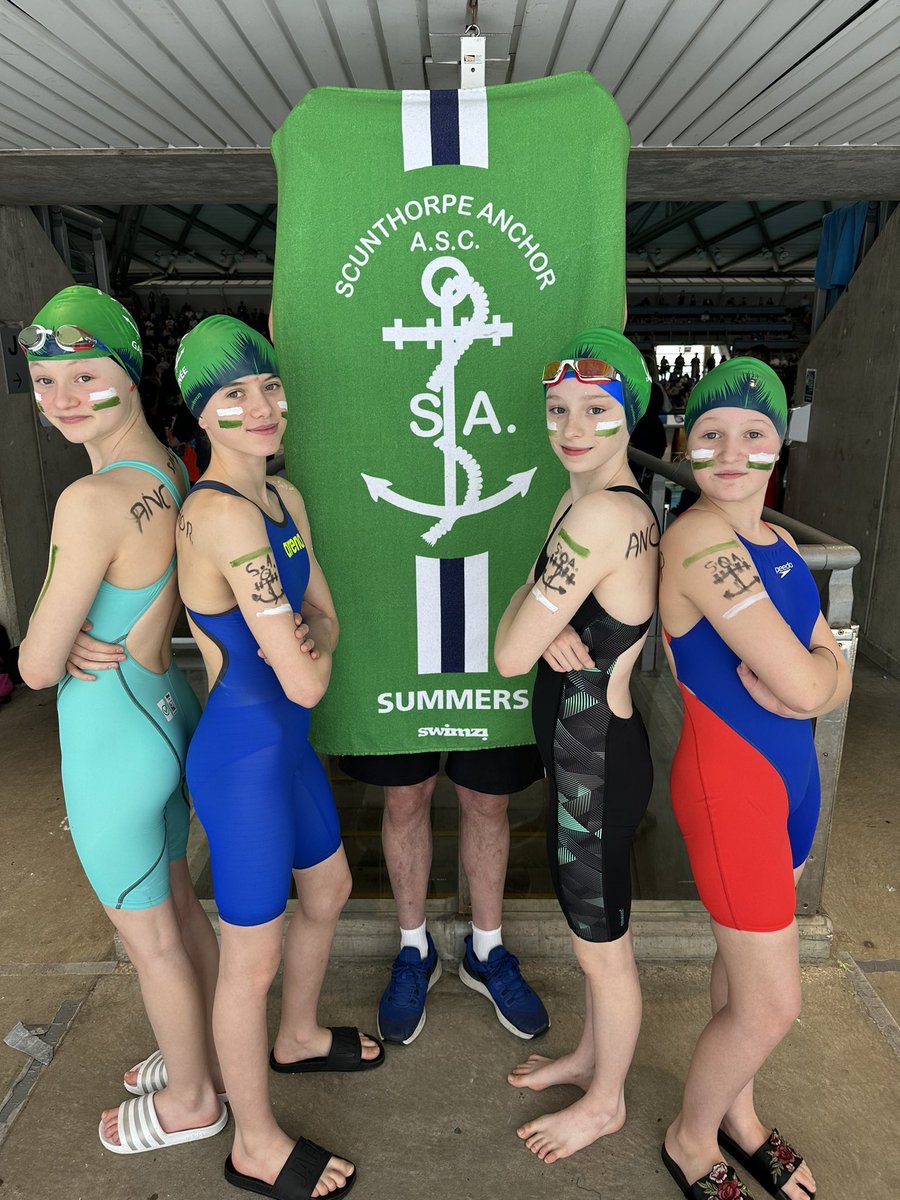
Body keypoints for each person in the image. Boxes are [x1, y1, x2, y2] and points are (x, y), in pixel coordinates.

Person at [17, 286, 225, 1154]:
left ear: (129, 377)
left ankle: (191, 1101)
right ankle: (206, 1050)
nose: (62, 398)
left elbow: (31, 665)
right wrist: (76, 636)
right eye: (43, 379)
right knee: (179, 899)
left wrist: (55, 644)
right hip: (167, 711)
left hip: (111, 739)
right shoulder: (172, 469)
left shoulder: (90, 501)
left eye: (84, 375)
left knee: (149, 942)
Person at [175, 315, 377, 1200]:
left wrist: (314, 645)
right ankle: (252, 1143)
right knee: (246, 957)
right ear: (201, 416)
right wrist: (315, 654)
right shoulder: (219, 517)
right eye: (233, 396)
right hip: (244, 757)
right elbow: (302, 677)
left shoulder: (283, 500)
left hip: (284, 749)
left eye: (267, 388)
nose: (261, 408)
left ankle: (295, 1036)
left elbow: (326, 613)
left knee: (327, 890)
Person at [658, 358, 851, 1199]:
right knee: (774, 1005)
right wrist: (812, 677)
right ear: (686, 445)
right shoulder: (698, 538)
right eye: (710, 434)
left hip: (793, 787)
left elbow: (830, 674)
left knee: (744, 974)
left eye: (752, 433)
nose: (731, 452)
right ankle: (690, 1138)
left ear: (778, 447)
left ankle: (738, 1112)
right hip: (731, 786)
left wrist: (815, 676)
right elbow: (813, 684)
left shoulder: (775, 542)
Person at [494, 329, 658, 1163]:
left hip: (595, 761)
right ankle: (594, 1056)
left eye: (596, 409)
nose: (572, 426)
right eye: (558, 409)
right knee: (591, 936)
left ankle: (607, 1103)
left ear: (629, 412)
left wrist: (535, 611)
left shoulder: (598, 512)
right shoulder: (589, 501)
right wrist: (540, 608)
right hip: (588, 751)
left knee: (604, 948)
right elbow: (530, 620)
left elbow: (509, 649)